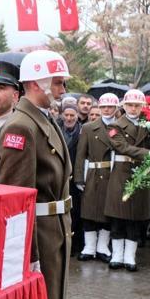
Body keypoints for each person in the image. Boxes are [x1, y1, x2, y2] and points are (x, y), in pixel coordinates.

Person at [0, 50, 72, 299]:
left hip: (53, 228)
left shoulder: (43, 119)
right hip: (38, 234)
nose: (62, 90)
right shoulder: (22, 126)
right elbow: (17, 200)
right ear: (36, 83)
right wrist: (29, 255)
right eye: (57, 82)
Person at [105, 89, 150, 272]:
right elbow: (122, 147)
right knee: (118, 217)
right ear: (124, 106)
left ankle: (130, 256)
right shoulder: (115, 125)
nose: (134, 109)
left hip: (141, 172)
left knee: (135, 218)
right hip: (122, 172)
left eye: (137, 105)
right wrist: (147, 153)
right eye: (130, 105)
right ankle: (117, 255)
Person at [74, 93, 119, 262]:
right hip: (92, 174)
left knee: (107, 213)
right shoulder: (88, 128)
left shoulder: (119, 128)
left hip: (112, 174)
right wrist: (79, 177)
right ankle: (89, 247)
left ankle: (102, 247)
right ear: (99, 108)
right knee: (89, 211)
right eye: (104, 107)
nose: (107, 110)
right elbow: (80, 155)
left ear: (116, 108)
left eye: (110, 107)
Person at [59, 104, 83, 255]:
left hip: (75, 179)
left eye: (72, 115)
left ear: (77, 116)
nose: (69, 118)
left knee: (75, 213)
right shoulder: (56, 129)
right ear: (62, 115)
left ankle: (75, 246)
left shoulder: (82, 132)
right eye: (66, 115)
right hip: (60, 178)